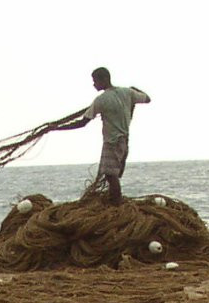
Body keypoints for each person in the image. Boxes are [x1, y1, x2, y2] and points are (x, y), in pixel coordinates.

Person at [64, 66, 150, 204]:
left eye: (95, 81)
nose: (94, 84)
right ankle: (115, 201)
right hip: (124, 141)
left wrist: (58, 128)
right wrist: (135, 89)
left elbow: (82, 123)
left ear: (104, 79)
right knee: (113, 174)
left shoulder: (101, 100)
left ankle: (116, 204)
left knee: (111, 175)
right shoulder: (127, 93)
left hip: (112, 142)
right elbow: (147, 99)